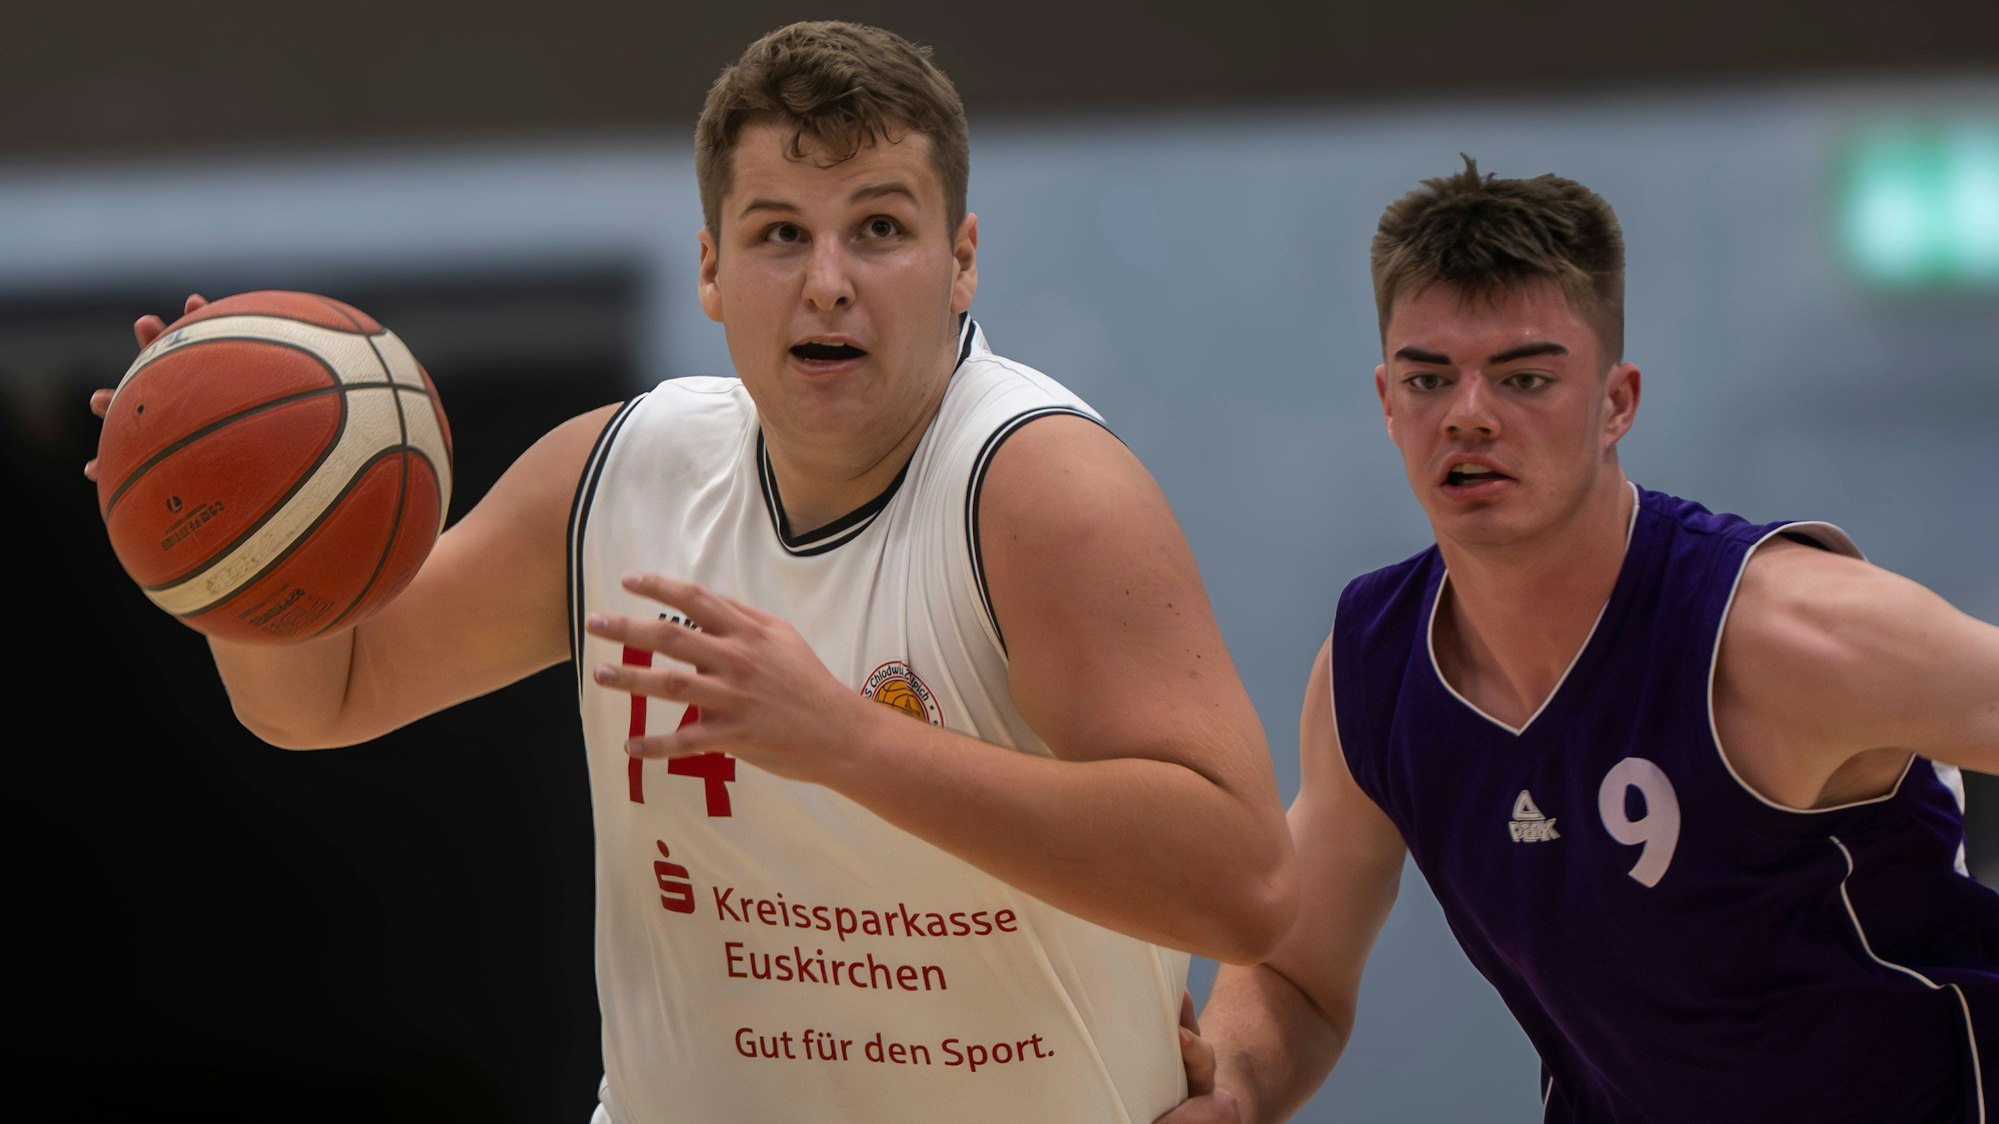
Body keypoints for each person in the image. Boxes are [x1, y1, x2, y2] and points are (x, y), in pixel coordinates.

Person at [85, 21, 1295, 1124]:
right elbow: (324, 697)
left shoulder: (1038, 491)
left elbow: (1242, 886)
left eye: (879, 227)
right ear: (712, 268)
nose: (829, 278)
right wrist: (230, 543)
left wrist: (848, 740)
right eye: (780, 233)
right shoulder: (619, 474)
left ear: (962, 260)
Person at [1162, 158, 1999, 1123]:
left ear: (1615, 402)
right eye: (1428, 378)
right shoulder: (1374, 670)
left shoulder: (1779, 627)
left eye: (1523, 378)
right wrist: (1230, 1089)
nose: (1468, 413)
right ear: (1388, 405)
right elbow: (1293, 977)